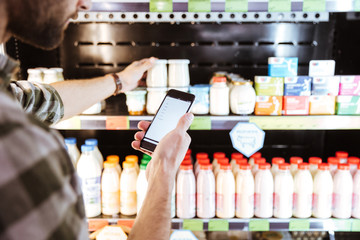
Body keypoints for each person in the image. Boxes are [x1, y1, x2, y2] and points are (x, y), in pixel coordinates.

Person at [0, 0, 194, 240]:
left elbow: (42, 101)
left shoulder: (6, 95)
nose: (86, 4)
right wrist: (163, 171)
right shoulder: (15, 143)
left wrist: (121, 81)